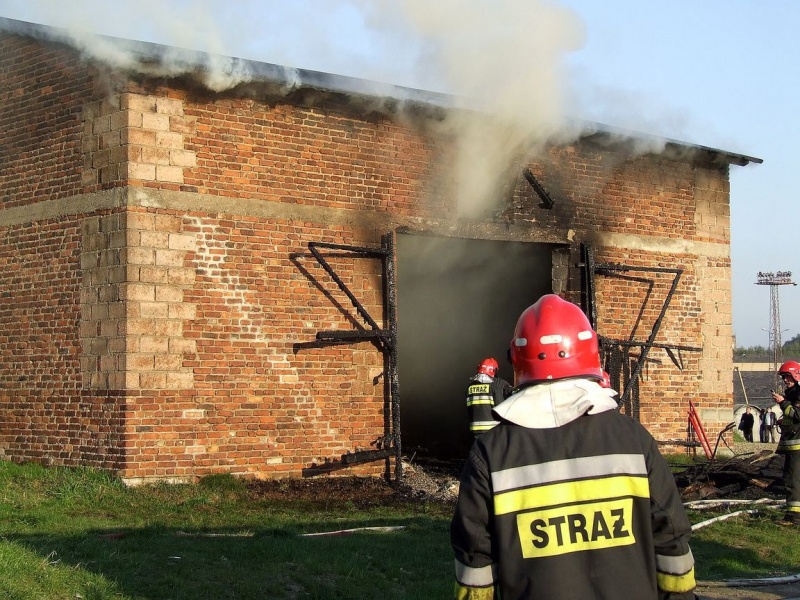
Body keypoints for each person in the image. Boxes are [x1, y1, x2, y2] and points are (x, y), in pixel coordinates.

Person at [451, 294, 697, 599]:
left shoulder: (491, 454)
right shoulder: (633, 439)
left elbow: (476, 565)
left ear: (516, 359)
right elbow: (670, 538)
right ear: (591, 351)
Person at [771, 360, 800, 526]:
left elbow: (797, 415)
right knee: (790, 479)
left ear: (796, 375)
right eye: (783, 377)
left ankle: (794, 517)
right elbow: (792, 418)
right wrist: (784, 422)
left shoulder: (798, 393)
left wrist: (782, 402)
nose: (785, 381)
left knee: (793, 481)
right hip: (792, 446)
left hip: (797, 446)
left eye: (787, 377)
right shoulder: (791, 393)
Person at [465, 357, 513, 437]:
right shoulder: (497, 384)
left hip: (475, 431)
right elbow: (500, 406)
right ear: (493, 370)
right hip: (493, 430)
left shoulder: (470, 387)